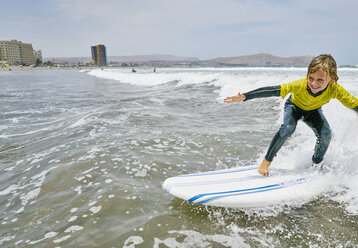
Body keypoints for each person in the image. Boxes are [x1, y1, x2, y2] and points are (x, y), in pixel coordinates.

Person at [224, 54, 358, 176]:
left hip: (313, 111)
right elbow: (274, 90)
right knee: (288, 128)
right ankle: (266, 162)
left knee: (326, 134)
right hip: (293, 107)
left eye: (320, 80)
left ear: (331, 79)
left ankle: (316, 165)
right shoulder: (301, 85)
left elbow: (354, 105)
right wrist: (246, 96)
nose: (313, 83)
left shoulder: (335, 90)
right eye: (310, 78)